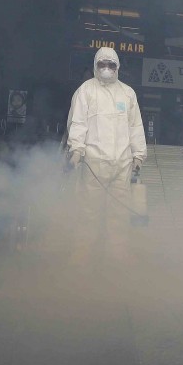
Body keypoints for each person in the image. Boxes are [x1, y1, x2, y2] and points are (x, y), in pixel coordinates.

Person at [66, 47, 147, 266]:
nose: (107, 69)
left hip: (122, 163)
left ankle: (117, 257)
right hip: (93, 162)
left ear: (118, 67)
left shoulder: (127, 93)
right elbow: (78, 123)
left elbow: (135, 126)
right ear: (95, 65)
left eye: (111, 65)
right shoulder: (86, 91)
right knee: (88, 212)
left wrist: (138, 156)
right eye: (102, 64)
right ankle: (82, 256)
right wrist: (76, 151)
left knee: (119, 213)